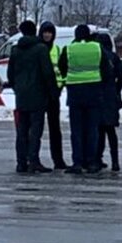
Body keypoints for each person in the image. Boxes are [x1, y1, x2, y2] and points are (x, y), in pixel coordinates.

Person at [57, 24, 113, 174]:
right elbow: (107, 70)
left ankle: (77, 162)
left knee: (76, 130)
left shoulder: (69, 49)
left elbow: (62, 67)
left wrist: (70, 78)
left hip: (75, 93)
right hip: (94, 93)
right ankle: (92, 162)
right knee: (92, 129)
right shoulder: (97, 48)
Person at [7, 20, 55, 174]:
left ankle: (21, 162)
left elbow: (10, 74)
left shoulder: (15, 50)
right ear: (35, 31)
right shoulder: (40, 49)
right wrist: (52, 91)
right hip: (38, 96)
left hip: (21, 96)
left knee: (21, 131)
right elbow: (47, 73)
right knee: (35, 131)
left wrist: (18, 89)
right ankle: (34, 161)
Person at [94, 32, 122, 172]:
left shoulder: (96, 56)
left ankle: (98, 158)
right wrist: (116, 89)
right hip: (111, 96)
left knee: (99, 131)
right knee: (111, 131)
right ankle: (115, 161)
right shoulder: (114, 57)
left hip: (97, 96)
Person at [38, 21, 69, 170]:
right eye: (45, 32)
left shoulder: (57, 49)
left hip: (53, 95)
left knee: (55, 129)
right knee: (36, 129)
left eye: (50, 32)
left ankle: (58, 160)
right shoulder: (37, 49)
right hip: (39, 93)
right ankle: (34, 159)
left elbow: (62, 71)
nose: (47, 35)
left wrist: (59, 87)